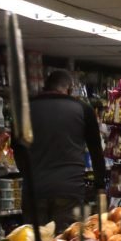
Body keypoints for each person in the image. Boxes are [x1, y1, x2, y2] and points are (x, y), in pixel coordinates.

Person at [22, 70, 106, 232]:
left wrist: (29, 173)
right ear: (69, 89)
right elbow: (96, 151)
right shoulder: (83, 109)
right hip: (69, 190)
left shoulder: (26, 109)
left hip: (35, 190)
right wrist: (99, 186)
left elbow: (17, 148)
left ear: (45, 87)